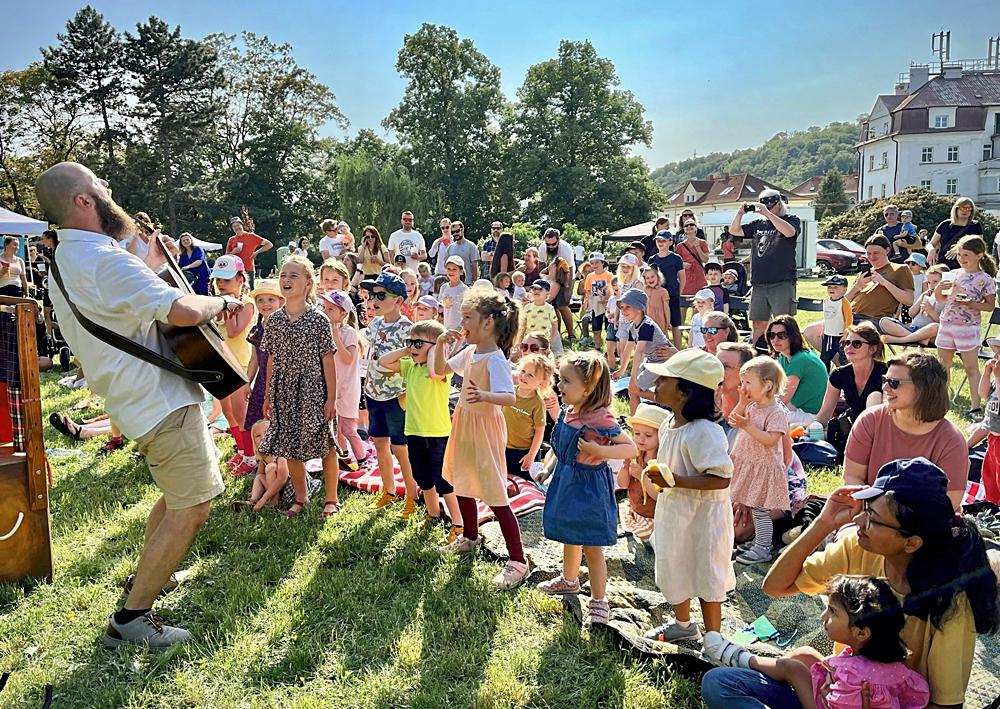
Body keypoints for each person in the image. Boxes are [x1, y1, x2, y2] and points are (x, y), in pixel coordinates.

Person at [37, 161, 245, 648]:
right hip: (159, 398)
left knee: (178, 494)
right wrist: (219, 303)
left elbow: (129, 310)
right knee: (193, 506)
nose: (110, 189)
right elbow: (183, 310)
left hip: (135, 398)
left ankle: (144, 578)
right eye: (99, 185)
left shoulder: (67, 263)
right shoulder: (104, 261)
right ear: (84, 202)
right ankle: (131, 619)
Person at [703, 458, 1000, 708]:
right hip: (838, 693)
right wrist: (823, 523)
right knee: (719, 683)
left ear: (911, 542)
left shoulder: (951, 602)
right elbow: (775, 586)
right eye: (865, 510)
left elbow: (947, 705)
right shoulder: (859, 549)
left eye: (872, 518)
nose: (859, 523)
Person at [703, 575, 930, 709]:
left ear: (862, 633)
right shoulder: (897, 671)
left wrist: (795, 674)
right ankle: (744, 661)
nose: (823, 617)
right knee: (805, 655)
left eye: (832, 611)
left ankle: (740, 658)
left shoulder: (856, 678)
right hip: (829, 695)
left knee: (718, 683)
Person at [435, 290, 529, 590]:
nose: (461, 322)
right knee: (461, 479)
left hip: (485, 430)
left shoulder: (495, 359)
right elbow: (438, 372)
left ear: (488, 323)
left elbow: (509, 396)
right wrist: (440, 345)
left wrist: (484, 395)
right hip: (464, 423)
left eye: (467, 317)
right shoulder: (471, 351)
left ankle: (518, 561)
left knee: (494, 491)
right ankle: (470, 537)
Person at [537, 351, 637, 626]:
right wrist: (549, 467)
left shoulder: (600, 418)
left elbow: (631, 448)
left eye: (566, 381)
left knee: (592, 546)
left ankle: (599, 600)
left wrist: (596, 449)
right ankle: (569, 580)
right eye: (560, 379)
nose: (559, 386)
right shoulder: (571, 411)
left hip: (590, 486)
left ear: (589, 388)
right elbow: (561, 446)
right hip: (568, 479)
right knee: (570, 535)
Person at [642, 348, 734, 645]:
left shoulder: (704, 431)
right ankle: (683, 625)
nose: (655, 385)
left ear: (685, 390)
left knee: (707, 571)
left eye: (663, 380)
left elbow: (721, 477)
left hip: (704, 518)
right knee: (674, 563)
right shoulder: (669, 424)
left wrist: (676, 480)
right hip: (676, 511)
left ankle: (714, 638)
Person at [258, 255, 339, 518]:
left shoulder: (318, 320)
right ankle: (301, 499)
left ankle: (331, 499)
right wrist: (269, 394)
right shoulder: (274, 321)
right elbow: (271, 358)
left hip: (313, 390)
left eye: (294, 275)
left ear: (307, 284)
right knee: (289, 445)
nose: (286, 280)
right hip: (284, 391)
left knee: (324, 443)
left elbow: (328, 360)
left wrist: (331, 399)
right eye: (283, 275)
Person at [844, 352, 968, 509]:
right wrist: (876, 513)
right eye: (884, 380)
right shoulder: (871, 420)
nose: (884, 388)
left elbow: (949, 502)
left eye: (894, 383)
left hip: (924, 523)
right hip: (869, 512)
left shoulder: (951, 440)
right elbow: (853, 476)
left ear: (923, 388)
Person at [378, 319, 462, 539]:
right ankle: (433, 514)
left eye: (419, 344)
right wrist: (410, 347)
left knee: (443, 481)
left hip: (438, 434)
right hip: (414, 432)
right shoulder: (411, 367)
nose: (413, 348)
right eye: (411, 342)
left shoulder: (442, 371)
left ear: (436, 348)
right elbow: (384, 361)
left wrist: (438, 346)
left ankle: (458, 524)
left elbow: (435, 372)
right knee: (422, 477)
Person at [359, 272, 419, 517]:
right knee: (380, 443)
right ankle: (389, 491)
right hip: (374, 393)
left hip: (396, 396)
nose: (374, 300)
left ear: (398, 300)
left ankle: (412, 496)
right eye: (372, 295)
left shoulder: (408, 329)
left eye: (381, 295)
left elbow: (413, 362)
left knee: (401, 448)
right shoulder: (374, 324)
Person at [728, 357, 789, 567]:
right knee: (753, 507)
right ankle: (757, 542)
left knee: (760, 511)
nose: (742, 387)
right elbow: (732, 419)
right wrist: (743, 403)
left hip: (763, 468)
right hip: (746, 463)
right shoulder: (752, 405)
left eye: (747, 383)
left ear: (768, 385)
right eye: (742, 382)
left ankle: (763, 547)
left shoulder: (776, 412)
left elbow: (771, 440)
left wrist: (747, 426)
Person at [934, 234, 997, 418]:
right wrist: (938, 290)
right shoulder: (955, 274)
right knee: (943, 365)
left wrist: (971, 304)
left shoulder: (984, 279)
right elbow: (942, 299)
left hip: (968, 327)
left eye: (966, 255)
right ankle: (941, 402)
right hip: (947, 324)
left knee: (971, 368)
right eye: (960, 254)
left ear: (979, 255)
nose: (961, 259)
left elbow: (990, 306)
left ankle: (975, 406)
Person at [728, 189, 801, 340]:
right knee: (758, 324)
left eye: (769, 206)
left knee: (783, 324)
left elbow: (789, 232)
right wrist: (740, 213)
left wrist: (768, 214)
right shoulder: (758, 224)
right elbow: (734, 230)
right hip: (759, 283)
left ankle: (785, 356)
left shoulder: (791, 219)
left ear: (779, 205)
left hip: (782, 281)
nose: (765, 210)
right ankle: (758, 354)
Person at [210, 255, 257, 476]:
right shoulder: (217, 303)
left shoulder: (247, 304)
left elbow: (233, 331)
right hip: (222, 363)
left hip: (241, 364)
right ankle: (241, 449)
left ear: (240, 279)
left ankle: (251, 457)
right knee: (228, 412)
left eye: (226, 280)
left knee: (241, 413)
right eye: (218, 279)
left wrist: (228, 309)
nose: (221, 284)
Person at [321, 289, 367, 465]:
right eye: (325, 308)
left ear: (343, 313)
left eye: (330, 309)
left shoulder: (349, 333)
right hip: (333, 386)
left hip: (347, 388)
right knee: (336, 427)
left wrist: (335, 338)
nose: (325, 312)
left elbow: (348, 359)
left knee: (347, 428)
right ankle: (344, 457)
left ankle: (362, 459)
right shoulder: (325, 331)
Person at [243, 279, 284, 465]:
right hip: (260, 382)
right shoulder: (257, 330)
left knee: (279, 421)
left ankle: (282, 462)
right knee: (257, 419)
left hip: (280, 382)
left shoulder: (285, 328)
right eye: (260, 300)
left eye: (270, 300)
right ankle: (259, 460)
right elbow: (254, 360)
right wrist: (247, 382)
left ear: (281, 302)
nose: (265, 304)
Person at [814, 323, 886, 428]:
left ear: (872, 349)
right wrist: (813, 427)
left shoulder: (886, 373)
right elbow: (824, 415)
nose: (849, 347)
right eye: (846, 343)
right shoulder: (839, 375)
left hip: (880, 428)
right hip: (854, 429)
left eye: (856, 344)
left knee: (874, 396)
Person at [614, 288, 671, 414]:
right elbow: (628, 350)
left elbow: (638, 352)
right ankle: (635, 420)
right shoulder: (632, 327)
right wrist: (621, 370)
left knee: (634, 387)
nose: (623, 311)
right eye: (622, 307)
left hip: (663, 362)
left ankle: (669, 403)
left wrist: (633, 377)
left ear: (639, 308)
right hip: (651, 361)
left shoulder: (647, 326)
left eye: (627, 307)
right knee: (632, 388)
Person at [618, 402, 667, 542]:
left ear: (661, 436)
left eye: (648, 435)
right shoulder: (637, 455)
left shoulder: (660, 462)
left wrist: (641, 476)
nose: (641, 439)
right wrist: (625, 465)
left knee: (649, 534)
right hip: (635, 510)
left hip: (652, 516)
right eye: (637, 433)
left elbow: (659, 495)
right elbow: (623, 484)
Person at [767, 315, 828, 425]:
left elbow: (783, 400)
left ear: (792, 336)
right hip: (795, 408)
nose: (775, 340)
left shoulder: (800, 359)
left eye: (782, 335)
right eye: (772, 335)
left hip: (811, 415)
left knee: (763, 419)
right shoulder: (783, 357)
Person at [503, 352, 554, 480]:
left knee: (523, 483)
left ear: (542, 383)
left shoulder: (537, 404)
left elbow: (539, 432)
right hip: (503, 446)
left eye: (530, 375)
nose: (524, 376)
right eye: (523, 371)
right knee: (504, 480)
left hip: (523, 452)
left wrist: (531, 455)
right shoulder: (509, 392)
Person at [879, 264, 946, 346]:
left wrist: (931, 312)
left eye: (935, 282)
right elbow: (911, 314)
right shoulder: (927, 294)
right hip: (913, 329)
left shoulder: (946, 299)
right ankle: (919, 339)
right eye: (928, 282)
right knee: (884, 321)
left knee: (935, 327)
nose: (931, 285)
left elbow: (944, 324)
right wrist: (922, 298)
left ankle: (902, 340)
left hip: (929, 332)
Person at [647, 231, 685, 348]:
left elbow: (682, 278)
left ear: (670, 242)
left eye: (663, 240)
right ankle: (659, 349)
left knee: (675, 324)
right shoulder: (652, 259)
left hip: (672, 294)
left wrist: (679, 293)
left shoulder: (676, 258)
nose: (660, 243)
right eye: (658, 241)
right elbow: (648, 277)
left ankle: (677, 351)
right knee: (658, 323)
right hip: (657, 296)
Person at [927, 196, 983, 269]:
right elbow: (931, 244)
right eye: (962, 208)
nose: (965, 211)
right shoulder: (945, 224)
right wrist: (931, 250)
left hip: (965, 266)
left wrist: (958, 248)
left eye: (968, 209)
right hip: (944, 265)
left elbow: (980, 246)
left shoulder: (975, 226)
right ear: (956, 209)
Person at [225, 216, 272, 289]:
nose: (237, 228)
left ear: (242, 225)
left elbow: (269, 244)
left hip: (249, 268)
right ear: (232, 228)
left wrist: (256, 253)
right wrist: (233, 252)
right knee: (237, 289)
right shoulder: (231, 239)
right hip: (236, 270)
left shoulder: (251, 236)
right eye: (234, 226)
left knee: (250, 290)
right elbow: (226, 256)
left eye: (238, 225)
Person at [675, 217, 711, 304]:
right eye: (686, 225)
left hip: (699, 276)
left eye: (692, 224)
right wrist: (683, 264)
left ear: (696, 228)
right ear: (684, 230)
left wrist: (697, 247)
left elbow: (705, 260)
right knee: (683, 303)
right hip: (686, 276)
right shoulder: (680, 246)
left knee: (698, 302)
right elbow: (676, 262)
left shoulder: (702, 243)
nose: (689, 226)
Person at [819, 274, 852, 368]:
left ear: (844, 290)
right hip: (828, 335)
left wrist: (846, 334)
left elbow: (849, 320)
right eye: (829, 287)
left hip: (840, 336)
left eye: (836, 287)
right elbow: (826, 317)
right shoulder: (826, 301)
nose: (831, 289)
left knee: (844, 358)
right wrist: (823, 329)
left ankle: (846, 376)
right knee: (825, 358)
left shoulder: (844, 303)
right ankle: (825, 377)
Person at [518, 279, 559, 351]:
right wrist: (520, 339)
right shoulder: (527, 307)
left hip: (543, 340)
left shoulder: (550, 308)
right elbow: (523, 325)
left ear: (547, 293)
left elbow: (554, 324)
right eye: (534, 289)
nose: (536, 291)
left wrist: (551, 340)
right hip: (529, 340)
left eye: (540, 289)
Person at [546, 256, 575, 341]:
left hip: (559, 287)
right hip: (558, 277)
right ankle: (558, 333)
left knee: (561, 307)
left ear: (554, 266)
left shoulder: (556, 283)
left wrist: (550, 268)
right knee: (555, 308)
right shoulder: (553, 276)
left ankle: (569, 334)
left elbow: (542, 272)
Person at [442, 220, 479, 285]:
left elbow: (474, 266)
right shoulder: (450, 247)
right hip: (453, 283)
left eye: (457, 231)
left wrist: (474, 282)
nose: (455, 234)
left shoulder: (471, 246)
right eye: (453, 232)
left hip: (468, 283)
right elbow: (446, 266)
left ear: (462, 230)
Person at [439, 255, 469, 331]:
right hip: (446, 327)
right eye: (449, 269)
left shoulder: (464, 289)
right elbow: (441, 307)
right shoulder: (444, 287)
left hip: (459, 328)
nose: (451, 272)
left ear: (461, 271)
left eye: (454, 269)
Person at [642, 266, 671, 339]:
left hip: (659, 319)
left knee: (661, 338)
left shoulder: (663, 291)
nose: (650, 279)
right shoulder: (644, 290)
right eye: (647, 278)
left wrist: (668, 322)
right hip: (648, 318)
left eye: (652, 276)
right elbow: (643, 306)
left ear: (658, 277)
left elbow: (666, 308)